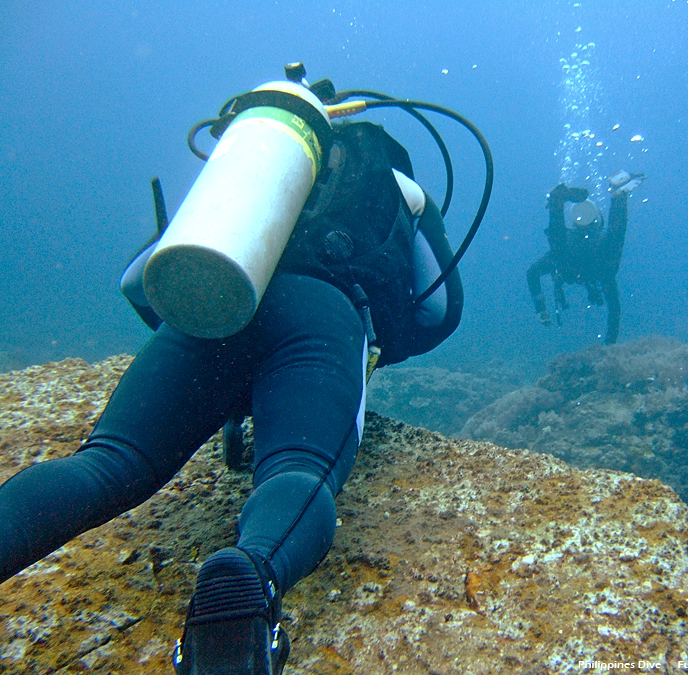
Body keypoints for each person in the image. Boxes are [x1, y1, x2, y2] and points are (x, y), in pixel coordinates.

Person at [0, 76, 475, 675]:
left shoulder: (238, 175)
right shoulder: (397, 186)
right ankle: (248, 574)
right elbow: (441, 312)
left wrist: (209, 333)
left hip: (214, 300)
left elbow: (137, 280)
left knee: (106, 465)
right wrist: (371, 346)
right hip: (323, 313)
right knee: (299, 470)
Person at [526, 171, 644, 344]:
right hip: (600, 265)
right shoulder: (600, 245)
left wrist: (540, 308)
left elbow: (532, 273)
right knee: (613, 244)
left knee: (560, 251)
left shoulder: (568, 239)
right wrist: (609, 346)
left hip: (568, 264)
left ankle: (558, 202)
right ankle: (618, 197)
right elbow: (614, 310)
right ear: (597, 220)